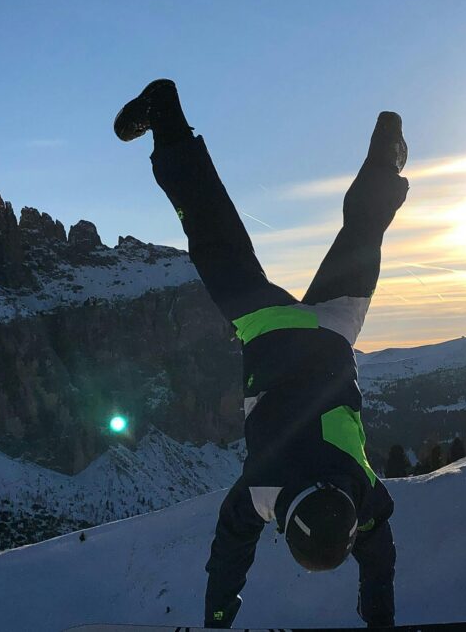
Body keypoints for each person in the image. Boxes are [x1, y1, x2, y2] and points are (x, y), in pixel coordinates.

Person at [114, 79, 408, 629]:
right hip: (268, 328)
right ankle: (165, 116)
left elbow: (380, 557)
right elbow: (230, 552)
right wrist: (219, 617)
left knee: (363, 232)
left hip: (334, 325)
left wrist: (381, 618)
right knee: (212, 230)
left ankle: (386, 159)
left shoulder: (361, 493)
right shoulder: (263, 494)